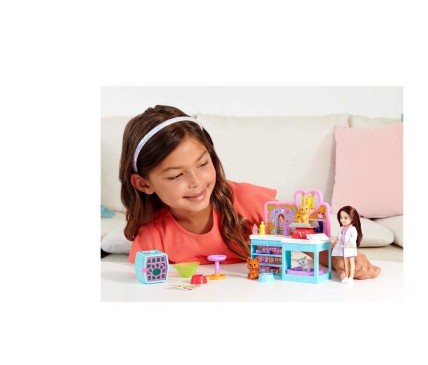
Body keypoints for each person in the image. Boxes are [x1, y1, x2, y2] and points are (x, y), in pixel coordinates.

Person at [119, 105, 381, 279]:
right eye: (176, 175)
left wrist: (338, 257)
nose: (196, 181)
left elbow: (305, 237)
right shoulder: (153, 233)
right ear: (144, 184)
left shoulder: (248, 201)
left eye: (203, 164)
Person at [331, 206, 362, 283]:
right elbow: (339, 238)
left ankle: (351, 277)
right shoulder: (341, 228)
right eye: (341, 217)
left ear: (352, 218)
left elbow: (353, 238)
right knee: (346, 263)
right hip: (343, 248)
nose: (342, 220)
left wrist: (347, 244)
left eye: (345, 218)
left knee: (351, 262)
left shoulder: (352, 229)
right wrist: (334, 239)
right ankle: (347, 276)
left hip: (350, 248)